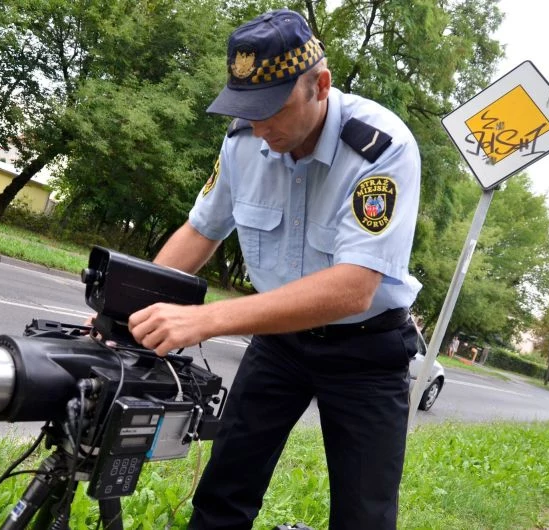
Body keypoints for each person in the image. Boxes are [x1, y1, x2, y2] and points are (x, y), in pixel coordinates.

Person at [127, 8, 421, 529]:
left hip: (366, 350)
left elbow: (354, 288)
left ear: (321, 86)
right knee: (224, 491)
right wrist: (127, 308)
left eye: (273, 110)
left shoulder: (381, 147)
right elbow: (201, 231)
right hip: (279, 344)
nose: (260, 127)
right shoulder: (243, 141)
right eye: (247, 109)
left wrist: (206, 319)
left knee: (365, 515)